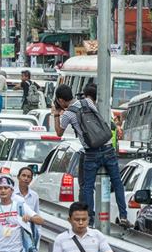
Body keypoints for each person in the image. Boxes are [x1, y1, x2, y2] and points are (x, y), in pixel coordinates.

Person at [54, 83, 130, 227]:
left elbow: (59, 132)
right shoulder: (88, 101)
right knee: (117, 182)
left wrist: (57, 114)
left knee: (88, 187)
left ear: (61, 100)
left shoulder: (68, 114)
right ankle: (124, 216)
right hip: (108, 148)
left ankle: (90, 220)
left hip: (91, 152)